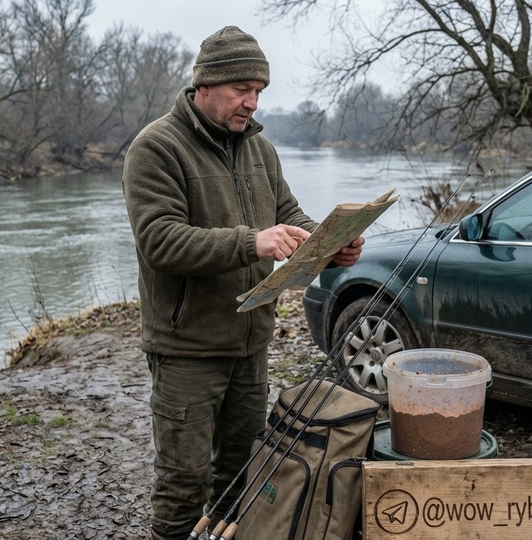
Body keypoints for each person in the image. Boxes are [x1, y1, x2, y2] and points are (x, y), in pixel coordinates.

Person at [122, 26, 364, 539]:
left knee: (242, 474)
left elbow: (290, 218)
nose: (253, 103)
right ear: (205, 86)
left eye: (259, 91)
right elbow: (159, 242)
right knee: (183, 480)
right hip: (186, 347)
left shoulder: (261, 151)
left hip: (250, 340)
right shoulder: (156, 148)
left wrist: (332, 246)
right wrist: (252, 242)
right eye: (242, 90)